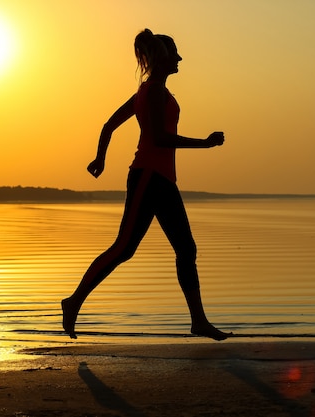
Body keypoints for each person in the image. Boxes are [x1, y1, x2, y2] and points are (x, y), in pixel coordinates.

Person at [62, 29, 230, 341]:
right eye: (174, 53)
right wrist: (204, 144)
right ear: (161, 58)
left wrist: (100, 158)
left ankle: (199, 322)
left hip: (163, 180)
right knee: (124, 248)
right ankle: (73, 302)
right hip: (148, 177)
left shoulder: (158, 92)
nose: (179, 58)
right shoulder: (151, 91)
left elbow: (108, 126)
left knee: (185, 248)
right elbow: (157, 139)